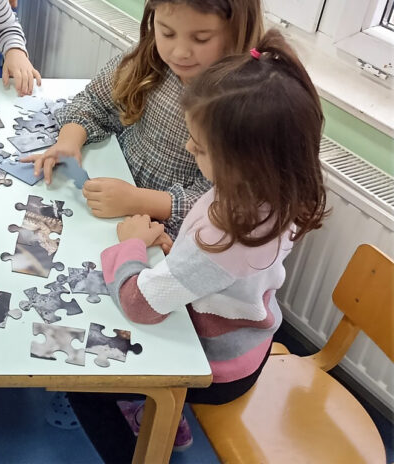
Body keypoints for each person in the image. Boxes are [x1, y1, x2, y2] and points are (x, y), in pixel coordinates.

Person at [70, 29, 327, 459]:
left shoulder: (225, 235)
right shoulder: (275, 194)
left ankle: (141, 442)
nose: (189, 148)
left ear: (246, 161)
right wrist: (176, 249)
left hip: (215, 365)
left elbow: (139, 304)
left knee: (85, 387)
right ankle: (162, 419)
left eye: (200, 146)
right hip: (246, 340)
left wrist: (132, 245)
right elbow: (218, 272)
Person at [26, 0, 265, 236]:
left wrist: (138, 200)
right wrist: (69, 141)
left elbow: (226, 202)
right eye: (167, 32)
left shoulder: (244, 104)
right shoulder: (150, 57)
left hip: (169, 235)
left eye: (200, 38)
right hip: (112, 194)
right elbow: (94, 101)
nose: (179, 52)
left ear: (237, 27)